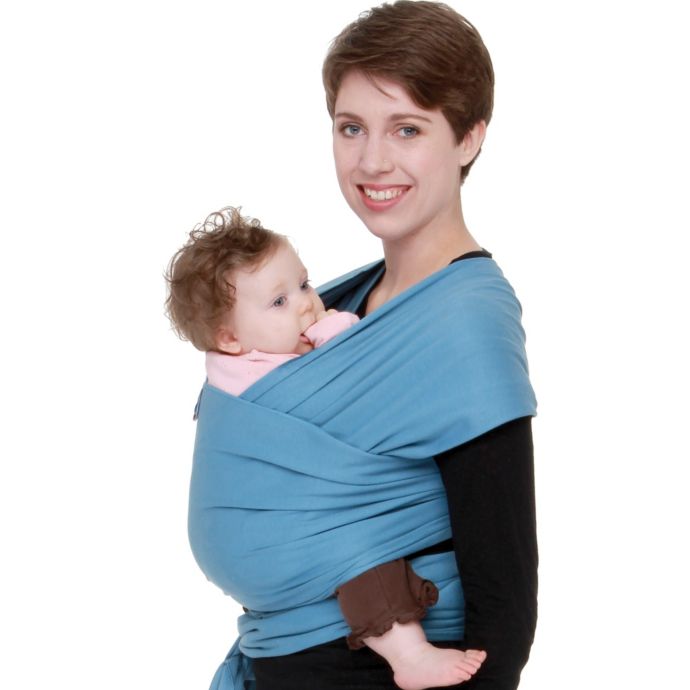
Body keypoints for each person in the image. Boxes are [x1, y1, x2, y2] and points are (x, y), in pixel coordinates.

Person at [187, 2, 538, 690]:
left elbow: (504, 612)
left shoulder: (461, 321)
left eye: (407, 128)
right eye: (351, 128)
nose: (372, 160)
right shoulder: (336, 303)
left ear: (469, 139)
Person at [166, 206, 487, 690]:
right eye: (279, 301)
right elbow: (351, 373)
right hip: (283, 530)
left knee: (353, 558)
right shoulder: (259, 374)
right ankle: (410, 654)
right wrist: (337, 331)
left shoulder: (231, 368)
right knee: (366, 562)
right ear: (228, 338)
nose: (306, 305)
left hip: (263, 544)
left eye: (303, 284)